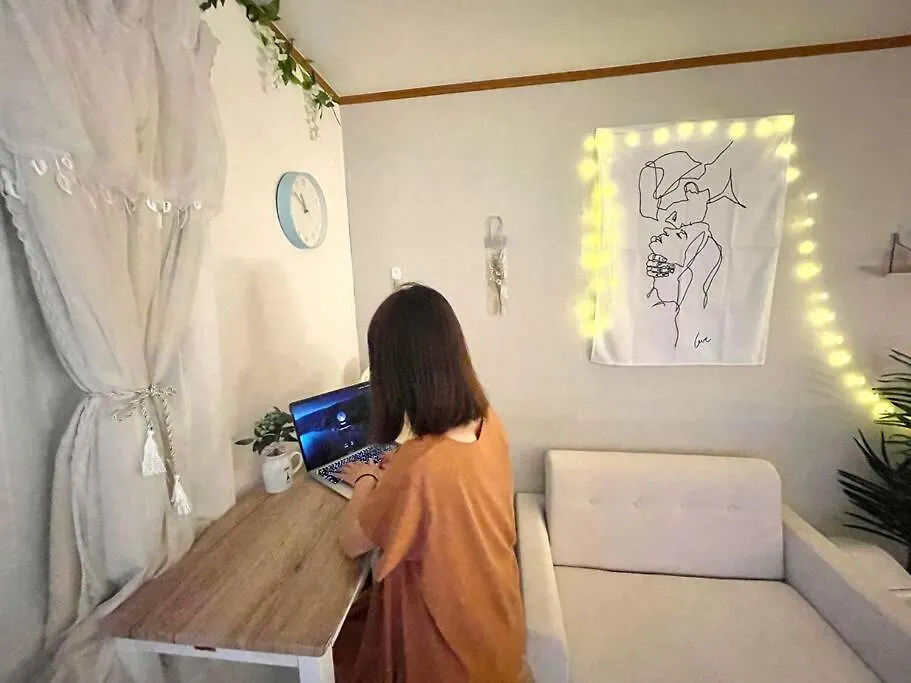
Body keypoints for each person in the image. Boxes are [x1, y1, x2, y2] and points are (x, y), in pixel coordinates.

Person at [335, 284, 528, 683]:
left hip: (450, 655)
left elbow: (352, 541)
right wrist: (399, 472)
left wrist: (367, 479)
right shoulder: (489, 422)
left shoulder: (420, 465)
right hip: (498, 627)